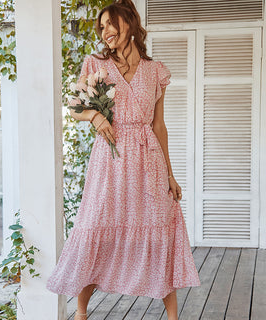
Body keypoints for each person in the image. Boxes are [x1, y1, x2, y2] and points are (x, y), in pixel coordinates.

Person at [46, 1, 201, 319]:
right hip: (110, 161)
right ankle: (81, 311)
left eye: (110, 23)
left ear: (129, 23)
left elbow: (159, 125)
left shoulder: (155, 70)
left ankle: (172, 315)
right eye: (101, 27)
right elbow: (76, 106)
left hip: (149, 160)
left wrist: (170, 174)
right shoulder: (96, 64)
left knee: (158, 226)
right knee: (99, 226)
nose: (105, 31)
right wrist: (95, 117)